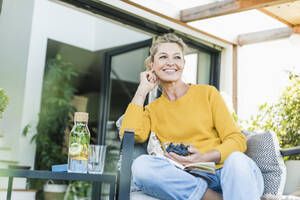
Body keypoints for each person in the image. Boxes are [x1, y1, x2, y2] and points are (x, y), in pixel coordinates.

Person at [120, 33, 264, 200]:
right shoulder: (152, 109)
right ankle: (213, 198)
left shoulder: (208, 93)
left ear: (183, 64)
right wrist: (142, 90)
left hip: (227, 174)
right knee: (141, 166)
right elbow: (129, 133)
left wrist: (204, 157)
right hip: (188, 179)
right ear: (152, 65)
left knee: (237, 160)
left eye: (177, 57)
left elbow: (237, 140)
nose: (170, 62)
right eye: (163, 57)